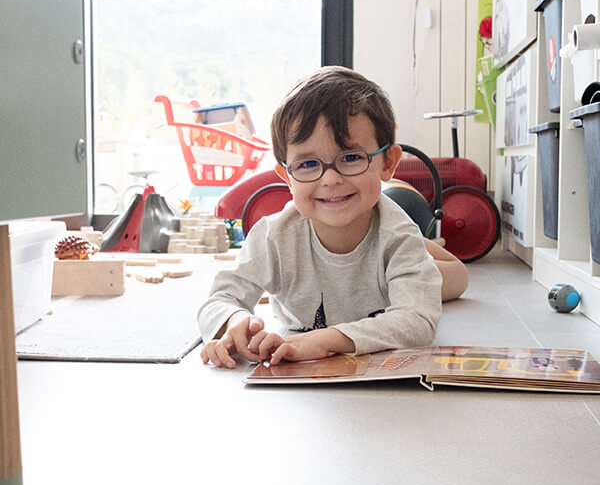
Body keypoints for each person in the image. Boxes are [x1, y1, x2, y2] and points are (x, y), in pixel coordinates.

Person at [198, 66, 466, 368]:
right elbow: (218, 300)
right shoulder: (274, 235)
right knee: (424, 276)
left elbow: (419, 320)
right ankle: (425, 256)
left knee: (456, 278)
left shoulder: (397, 235)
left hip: (392, 231)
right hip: (365, 247)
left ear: (388, 163)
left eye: (351, 158)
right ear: (287, 177)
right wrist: (235, 320)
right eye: (308, 164)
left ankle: (427, 248)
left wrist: (326, 339)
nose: (330, 180)